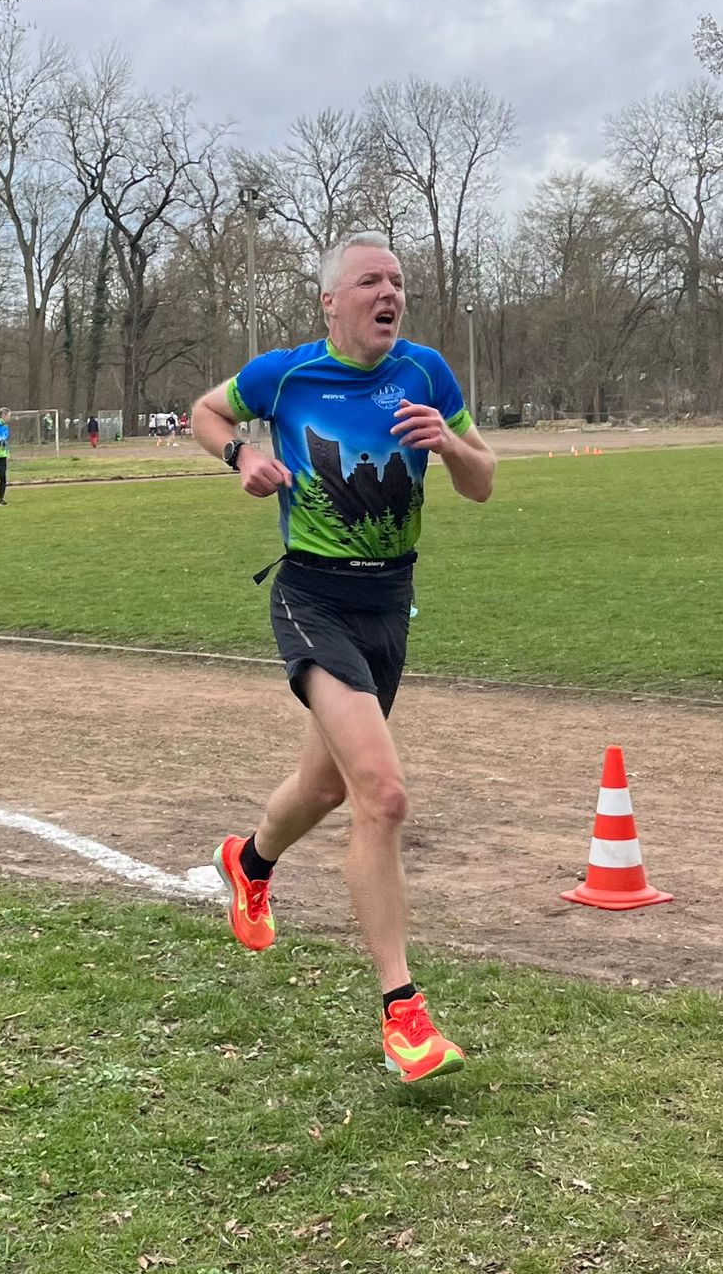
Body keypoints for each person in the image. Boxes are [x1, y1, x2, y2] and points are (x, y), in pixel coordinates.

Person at [190, 233, 495, 1085]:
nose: (389, 292)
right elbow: (206, 411)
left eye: (397, 281)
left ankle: (249, 861)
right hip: (312, 598)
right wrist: (243, 455)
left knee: (325, 787)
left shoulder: (427, 373)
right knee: (382, 795)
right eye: (370, 281)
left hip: (389, 605)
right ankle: (404, 1014)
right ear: (331, 301)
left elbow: (483, 482)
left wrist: (452, 445)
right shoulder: (285, 376)